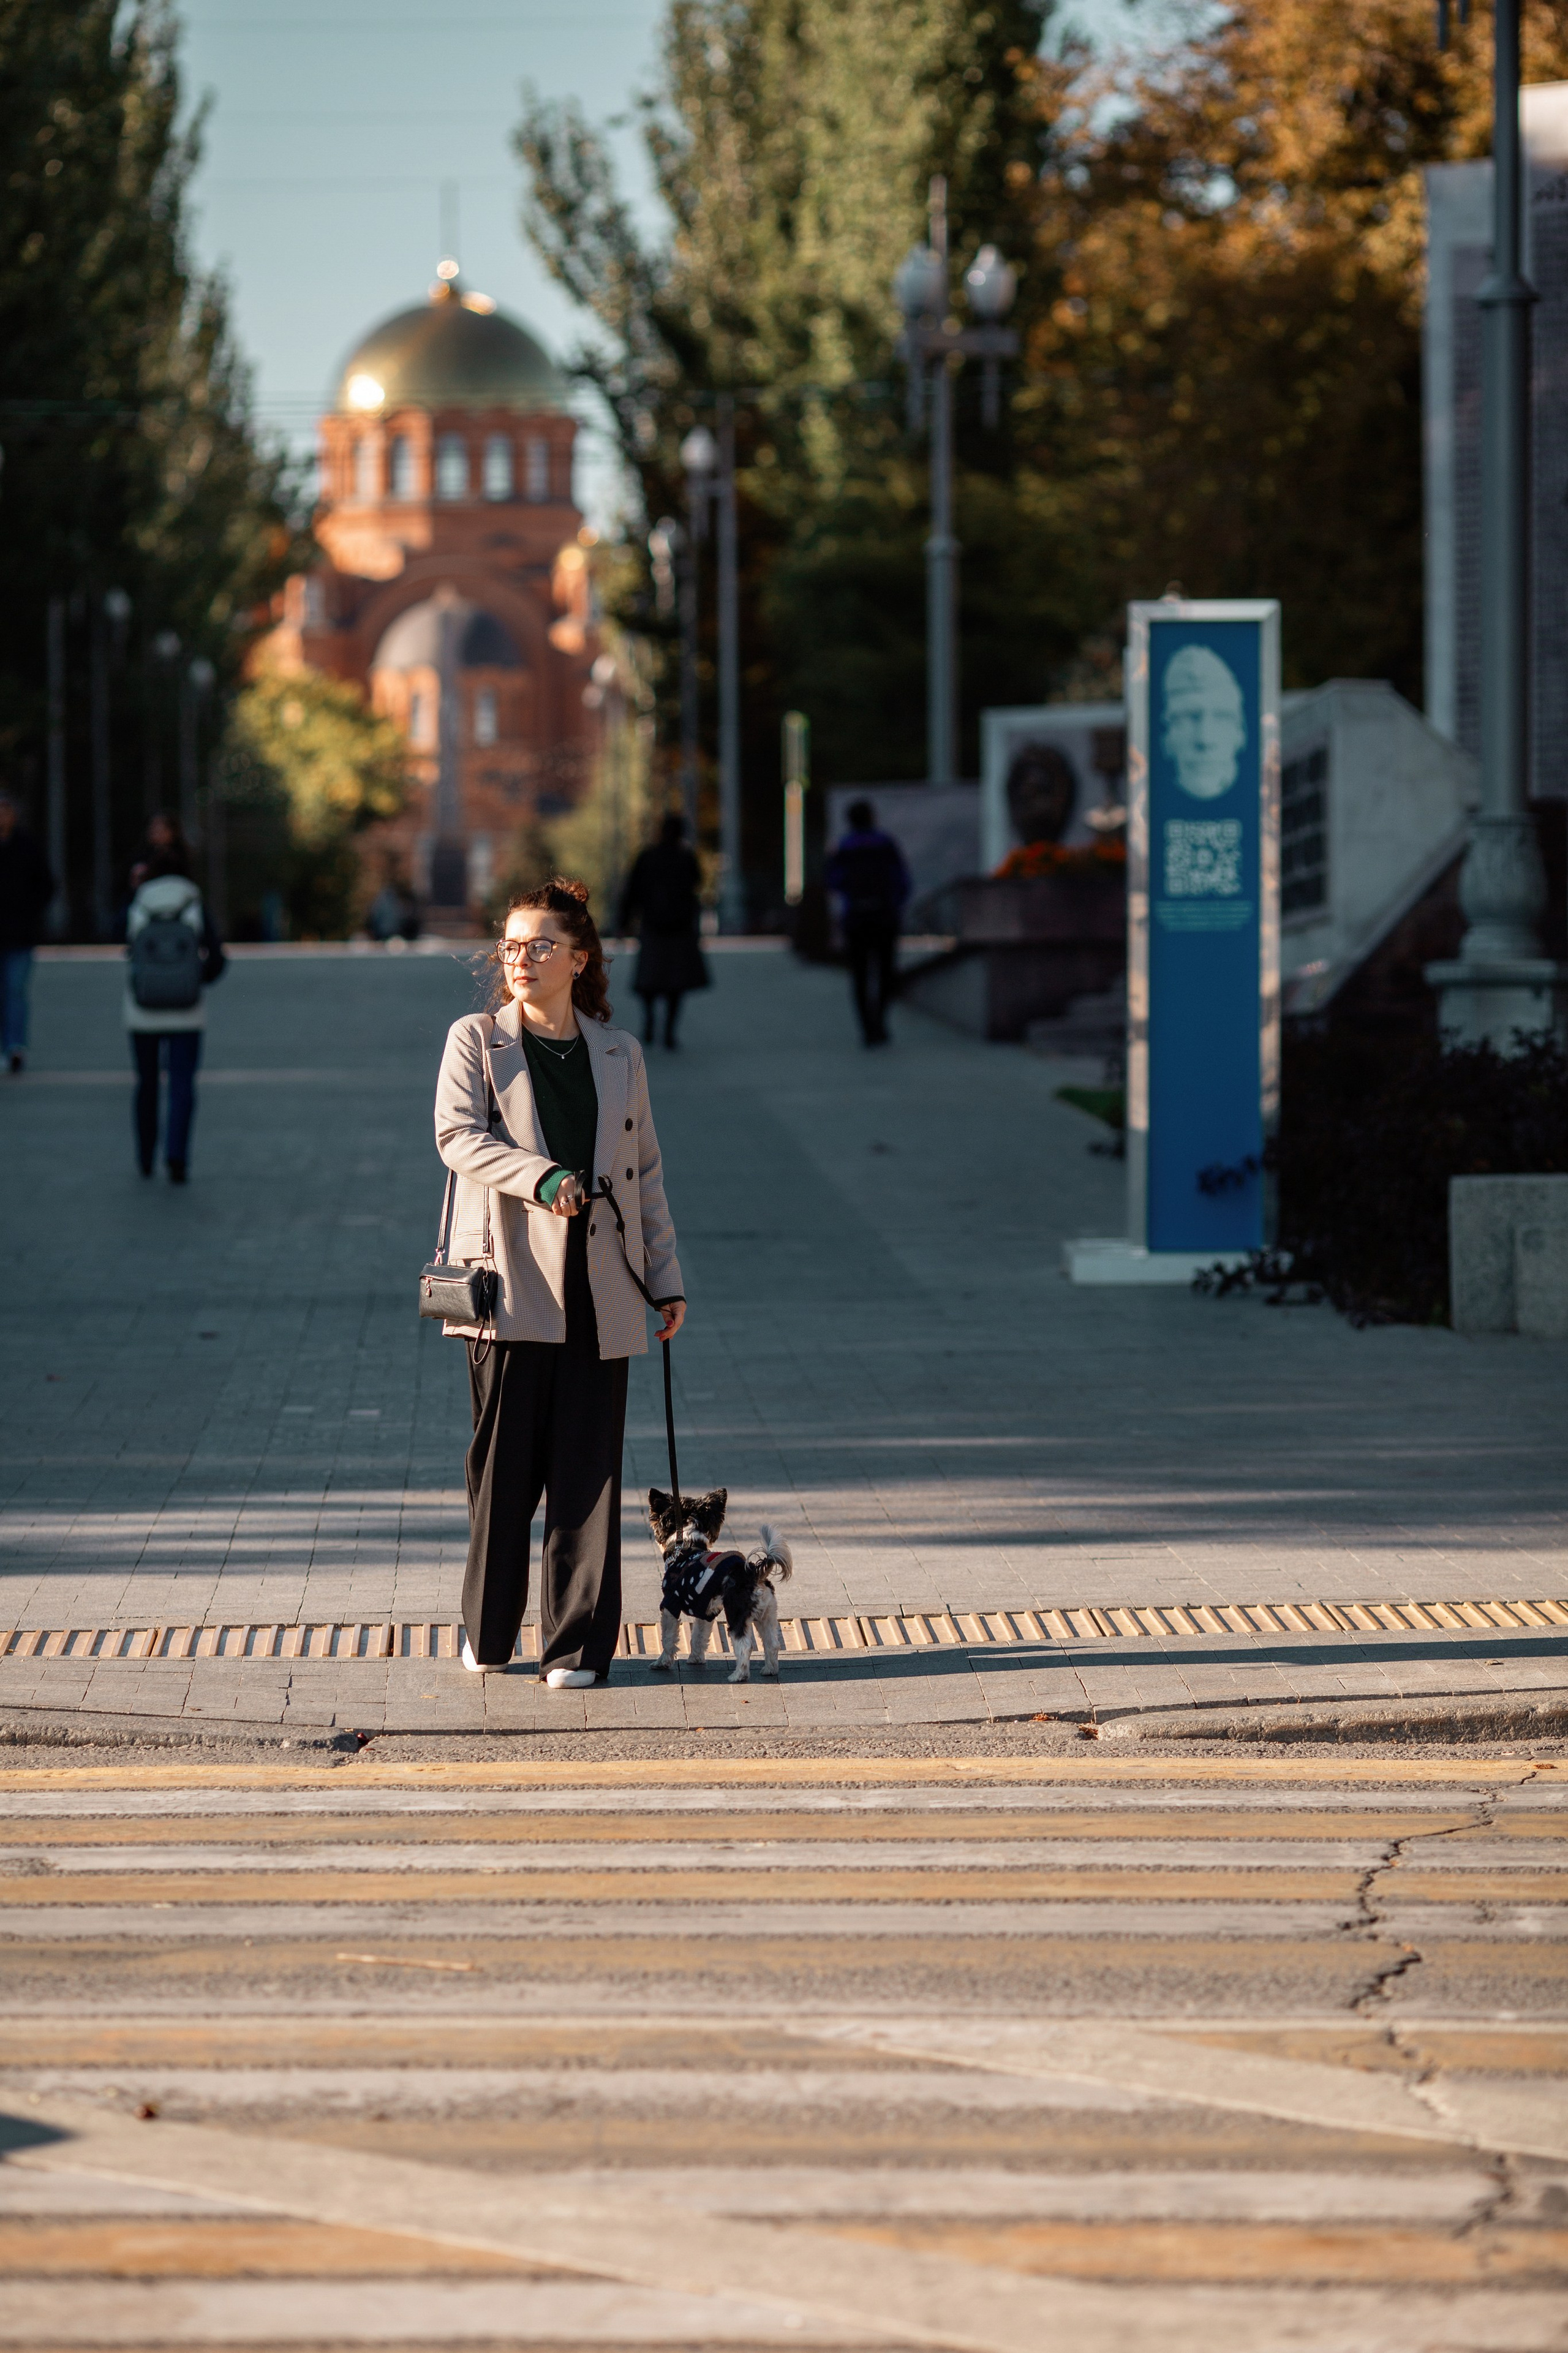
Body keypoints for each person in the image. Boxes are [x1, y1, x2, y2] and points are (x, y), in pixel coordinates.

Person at [433, 877, 686, 1688]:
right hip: (508, 1286)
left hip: (603, 1286)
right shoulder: (477, 1039)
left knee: (589, 1476)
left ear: (580, 959)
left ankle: (577, 1646)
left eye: (540, 945)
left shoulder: (619, 1053)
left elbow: (643, 1171)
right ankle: (490, 1631)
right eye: (509, 945)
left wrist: (666, 1280)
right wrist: (542, 1178)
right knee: (504, 1474)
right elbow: (456, 1137)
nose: (521, 959)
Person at [124, 815, 225, 1184]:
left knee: (146, 1082)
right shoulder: (194, 905)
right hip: (186, 1011)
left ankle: (145, 1156)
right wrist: (194, 980)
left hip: (143, 1010)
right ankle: (177, 1155)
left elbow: (130, 954)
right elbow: (217, 959)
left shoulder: (139, 906)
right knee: (182, 1083)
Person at [616, 812, 709, 1049]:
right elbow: (697, 886)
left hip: (655, 929)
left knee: (650, 980)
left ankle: (651, 1023)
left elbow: (632, 893)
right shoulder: (685, 858)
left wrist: (623, 923)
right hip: (678, 930)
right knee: (674, 985)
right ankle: (667, 1030)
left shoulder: (649, 857)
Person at [824, 797, 910, 1047]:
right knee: (885, 972)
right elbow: (902, 879)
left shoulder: (844, 847)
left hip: (856, 918)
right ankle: (881, 1022)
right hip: (885, 916)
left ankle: (867, 1028)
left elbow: (833, 881)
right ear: (872, 817)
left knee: (860, 976)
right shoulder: (886, 844)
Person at [0, 789, 56, 1075]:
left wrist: (30, 912)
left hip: (20, 935)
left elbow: (46, 884)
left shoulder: (27, 846)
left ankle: (15, 1047)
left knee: (15, 990)